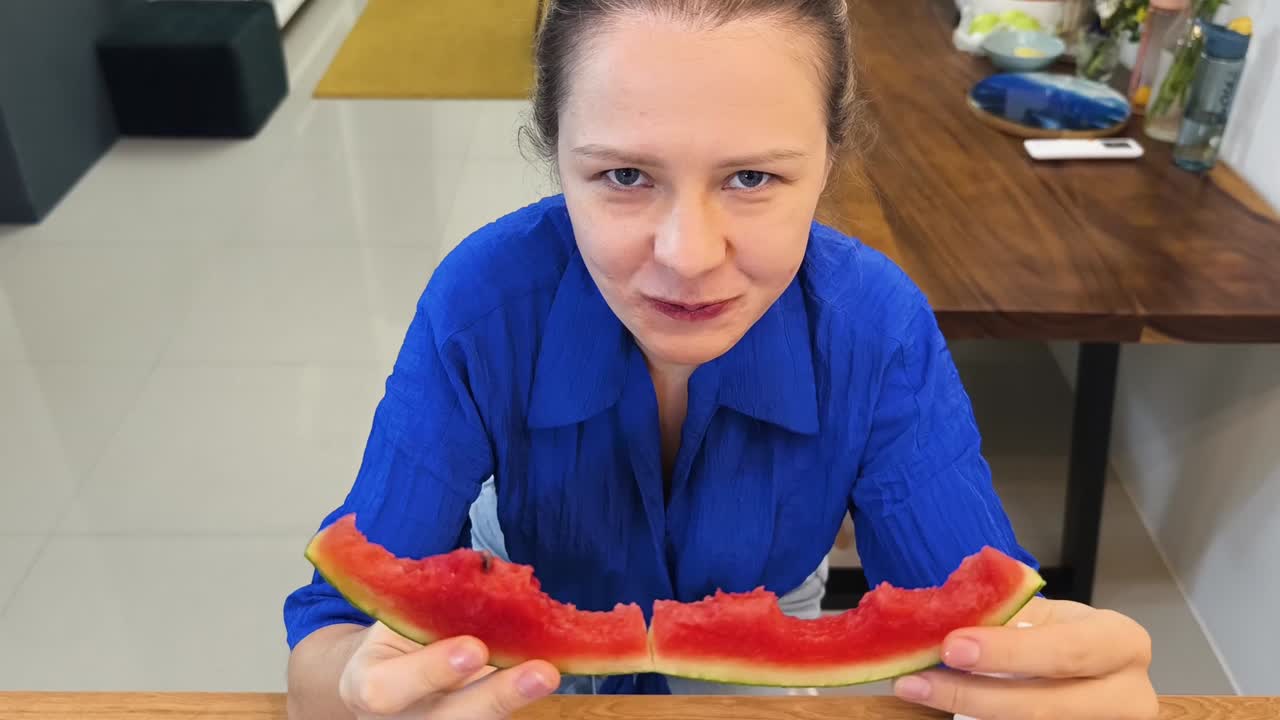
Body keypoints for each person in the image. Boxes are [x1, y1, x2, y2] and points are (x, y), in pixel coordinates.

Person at [283, 1, 1158, 718]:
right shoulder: (481, 304)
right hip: (521, 680)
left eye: (752, 179)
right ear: (556, 154)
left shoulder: (875, 327)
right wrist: (358, 693)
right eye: (626, 176)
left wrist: (1052, 682)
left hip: (772, 676)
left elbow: (980, 618)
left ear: (829, 161)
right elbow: (329, 637)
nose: (689, 254)